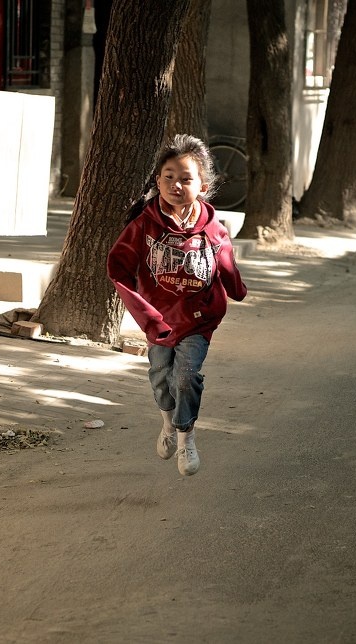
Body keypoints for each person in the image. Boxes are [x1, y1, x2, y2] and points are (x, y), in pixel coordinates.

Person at [107, 134, 247, 476]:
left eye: (186, 178)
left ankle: (186, 437)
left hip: (199, 320)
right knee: (159, 377)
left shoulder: (213, 228)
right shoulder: (143, 225)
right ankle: (168, 424)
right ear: (158, 181)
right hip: (159, 321)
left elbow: (225, 262)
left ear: (202, 184)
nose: (176, 184)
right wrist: (146, 316)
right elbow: (118, 269)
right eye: (168, 177)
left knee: (186, 377)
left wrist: (236, 289)